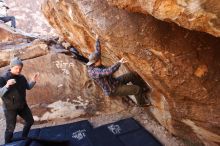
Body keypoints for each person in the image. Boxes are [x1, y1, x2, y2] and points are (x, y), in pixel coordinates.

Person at [87, 35, 150, 106]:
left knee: (133, 74)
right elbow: (108, 71)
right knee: (137, 89)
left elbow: (97, 51)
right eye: (99, 60)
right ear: (95, 62)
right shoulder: (94, 72)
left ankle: (143, 90)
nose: (101, 60)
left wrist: (97, 39)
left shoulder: (94, 62)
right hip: (113, 89)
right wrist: (119, 63)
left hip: (115, 82)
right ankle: (142, 103)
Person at [0, 57, 39, 144]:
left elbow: (28, 87)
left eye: (20, 68)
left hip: (22, 105)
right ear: (11, 67)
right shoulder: (3, 78)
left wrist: (33, 81)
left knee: (30, 121)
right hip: (10, 108)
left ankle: (24, 137)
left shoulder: (21, 77)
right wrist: (7, 85)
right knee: (10, 128)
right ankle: (7, 143)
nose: (18, 70)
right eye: (16, 68)